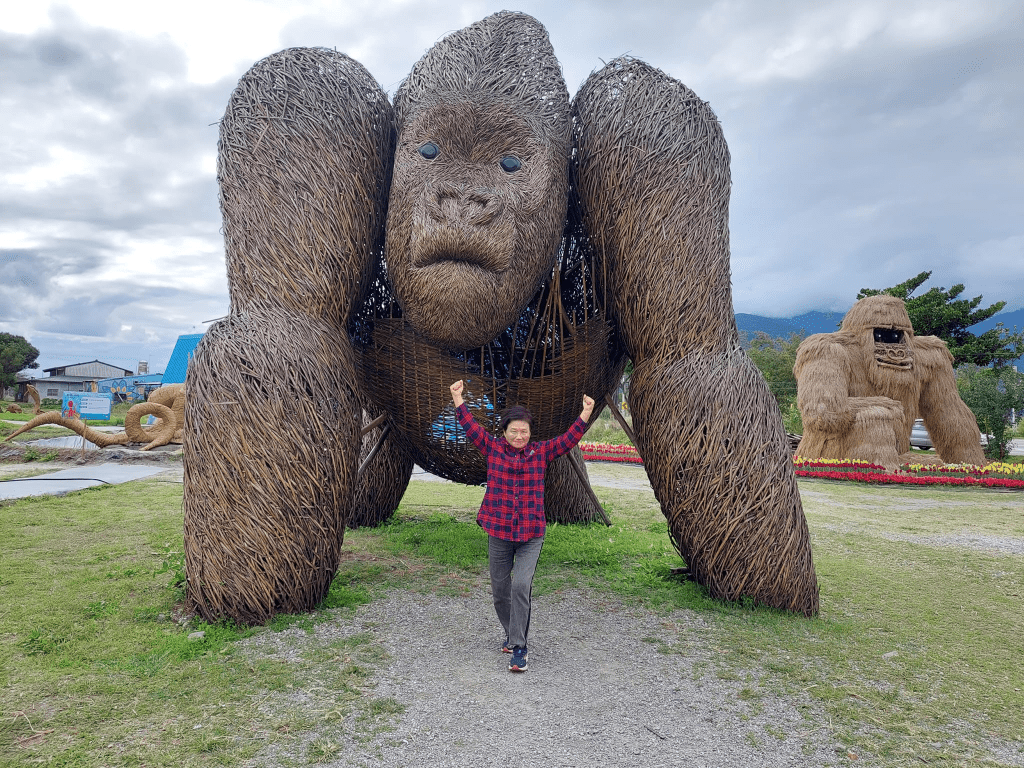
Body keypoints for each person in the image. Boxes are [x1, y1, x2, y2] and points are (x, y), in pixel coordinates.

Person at [449, 379, 595, 672]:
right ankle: (510, 632)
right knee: (500, 592)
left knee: (520, 586)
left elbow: (568, 440)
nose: (519, 435)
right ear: (504, 432)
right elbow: (470, 427)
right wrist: (457, 398)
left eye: (524, 431)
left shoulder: (540, 452)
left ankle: (519, 647)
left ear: (530, 434)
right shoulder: (492, 448)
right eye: (514, 431)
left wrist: (586, 413)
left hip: (530, 534)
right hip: (499, 532)